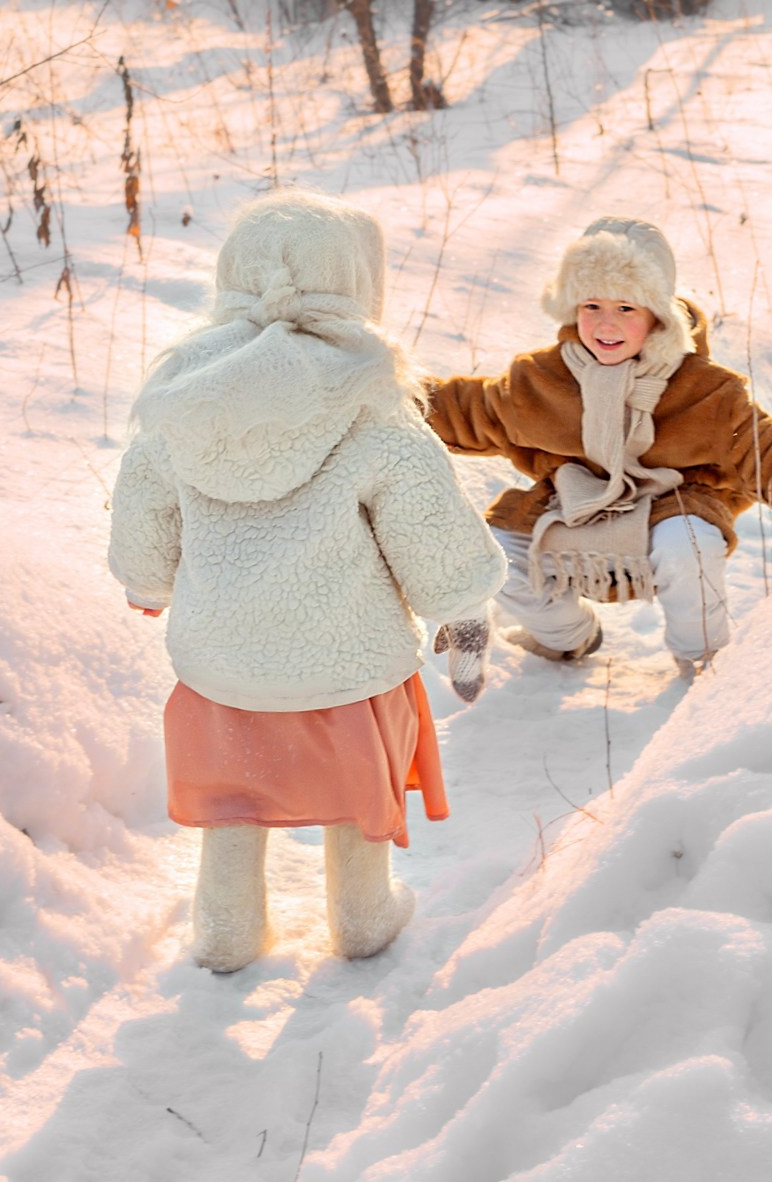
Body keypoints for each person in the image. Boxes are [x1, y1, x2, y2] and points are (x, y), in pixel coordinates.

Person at [108, 191, 505, 973]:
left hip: (222, 667)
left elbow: (142, 503)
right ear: (355, 284)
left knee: (232, 799)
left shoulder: (184, 399)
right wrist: (462, 606)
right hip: (345, 667)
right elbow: (427, 524)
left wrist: (147, 581)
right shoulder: (373, 409)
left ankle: (225, 931)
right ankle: (362, 917)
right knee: (355, 798)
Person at [423, 217, 772, 689]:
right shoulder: (542, 379)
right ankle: (565, 635)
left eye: (626, 307)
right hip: (572, 505)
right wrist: (393, 393)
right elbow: (470, 409)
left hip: (674, 506)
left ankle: (703, 659)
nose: (606, 323)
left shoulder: (703, 389)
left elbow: (768, 448)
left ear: (658, 314)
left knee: (688, 544)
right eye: (592, 305)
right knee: (493, 551)